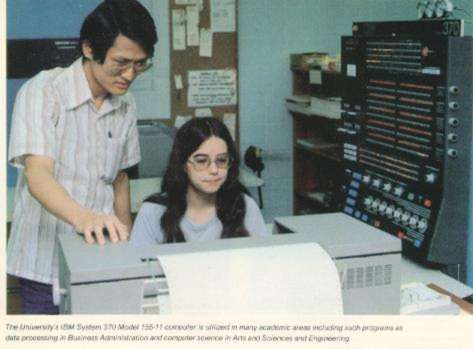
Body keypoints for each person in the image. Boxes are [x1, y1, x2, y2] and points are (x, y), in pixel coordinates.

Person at [7, 0, 158, 314]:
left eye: (140, 64)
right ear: (89, 48)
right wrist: (85, 218)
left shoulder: (126, 104)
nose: (130, 75)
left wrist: (125, 246)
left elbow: (119, 179)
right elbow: (38, 175)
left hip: (99, 260)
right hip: (44, 265)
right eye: (121, 62)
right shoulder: (44, 91)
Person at [131, 117, 269, 245]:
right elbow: (139, 267)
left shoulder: (244, 206)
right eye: (202, 161)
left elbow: (262, 262)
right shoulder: (153, 211)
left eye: (222, 160)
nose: (214, 170)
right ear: (183, 164)